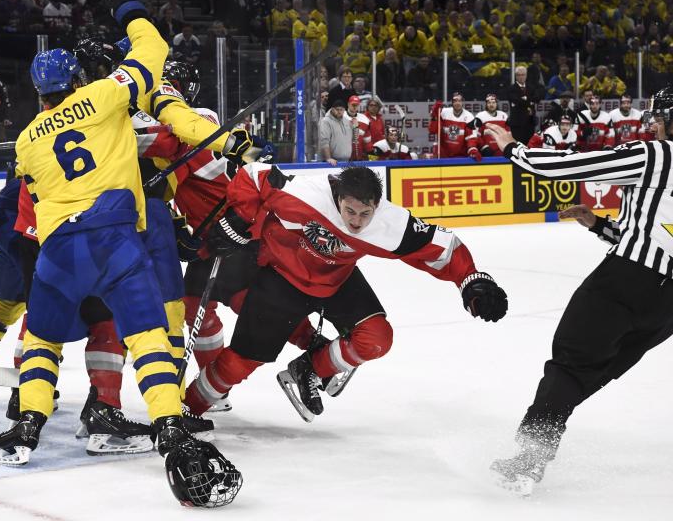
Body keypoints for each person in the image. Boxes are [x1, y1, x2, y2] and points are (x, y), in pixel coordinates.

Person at [0, 0, 243, 507]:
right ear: (79, 79)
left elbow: (34, 196)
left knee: (41, 341)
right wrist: (131, 11)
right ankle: (171, 428)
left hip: (58, 250)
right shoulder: (106, 97)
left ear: (39, 93)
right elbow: (152, 52)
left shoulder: (25, 139)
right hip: (115, 238)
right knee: (149, 334)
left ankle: (28, 425)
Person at [183, 164, 508, 421]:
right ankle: (188, 408)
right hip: (281, 277)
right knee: (238, 365)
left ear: (377, 206)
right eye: (349, 211)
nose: (356, 221)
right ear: (337, 195)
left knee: (377, 338)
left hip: (337, 279)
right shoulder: (306, 193)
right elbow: (254, 177)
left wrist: (473, 281)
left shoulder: (389, 224)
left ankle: (310, 368)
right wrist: (238, 218)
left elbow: (444, 247)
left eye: (365, 214)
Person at [485, 89, 673, 495]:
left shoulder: (655, 154)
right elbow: (663, 238)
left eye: (658, 118)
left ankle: (529, 458)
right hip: (666, 308)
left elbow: (571, 165)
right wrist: (600, 226)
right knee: (590, 373)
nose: (652, 124)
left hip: (625, 281)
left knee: (570, 365)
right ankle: (540, 443)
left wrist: (513, 148)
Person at [431, 92, 476, 159]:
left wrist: (472, 149)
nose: (457, 103)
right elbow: (433, 130)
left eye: (459, 101)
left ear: (462, 102)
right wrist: (435, 115)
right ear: (452, 102)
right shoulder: (443, 112)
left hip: (460, 156)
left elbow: (471, 137)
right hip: (443, 156)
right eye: (455, 101)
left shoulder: (469, 117)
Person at [504, 65, 541, 143]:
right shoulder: (511, 89)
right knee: (518, 146)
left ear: (526, 75)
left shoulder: (532, 88)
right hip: (517, 123)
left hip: (530, 123)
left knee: (530, 146)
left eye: (523, 75)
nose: (521, 77)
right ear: (516, 76)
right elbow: (517, 101)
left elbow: (537, 99)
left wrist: (524, 99)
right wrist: (529, 101)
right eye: (519, 75)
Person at [318, 89, 353, 166]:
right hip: (332, 162)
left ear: (344, 110)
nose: (339, 111)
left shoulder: (347, 121)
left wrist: (356, 127)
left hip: (346, 161)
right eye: (337, 109)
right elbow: (324, 142)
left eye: (341, 109)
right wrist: (328, 158)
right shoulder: (326, 121)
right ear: (332, 109)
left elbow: (354, 139)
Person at [470, 93, 509, 158]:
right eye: (489, 103)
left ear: (496, 103)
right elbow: (476, 135)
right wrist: (483, 147)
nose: (491, 105)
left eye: (493, 102)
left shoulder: (504, 116)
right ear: (486, 104)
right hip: (488, 152)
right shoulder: (480, 116)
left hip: (502, 151)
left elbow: (508, 134)